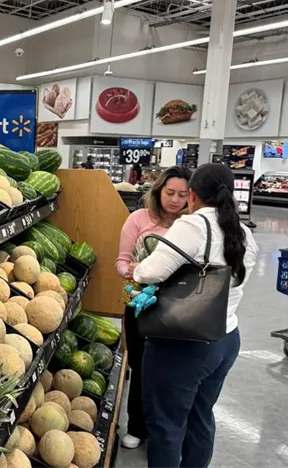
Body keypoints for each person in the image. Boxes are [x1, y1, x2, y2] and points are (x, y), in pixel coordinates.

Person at [133, 163, 258, 468]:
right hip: (226, 339)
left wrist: (138, 268)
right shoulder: (243, 234)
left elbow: (150, 271)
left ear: (192, 195)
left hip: (184, 342)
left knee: (166, 424)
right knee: (201, 417)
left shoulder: (193, 226)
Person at [116, 165, 192, 449]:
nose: (175, 200)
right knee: (140, 365)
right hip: (136, 301)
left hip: (177, 305)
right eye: (169, 192)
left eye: (182, 195)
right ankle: (137, 426)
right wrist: (134, 270)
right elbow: (121, 262)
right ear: (158, 190)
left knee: (171, 368)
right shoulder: (137, 219)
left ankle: (166, 431)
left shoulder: (191, 225)